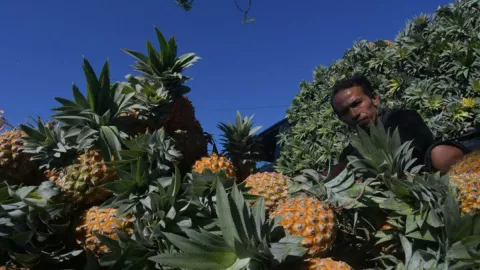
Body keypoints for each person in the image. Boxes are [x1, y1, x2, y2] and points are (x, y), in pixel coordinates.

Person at [329, 74, 469, 174]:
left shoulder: (403, 118)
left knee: (442, 154)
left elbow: (409, 152)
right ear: (342, 119)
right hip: (387, 201)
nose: (354, 114)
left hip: (427, 178)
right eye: (345, 112)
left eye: (357, 104)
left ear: (374, 99)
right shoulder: (350, 151)